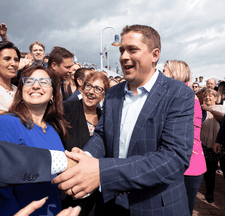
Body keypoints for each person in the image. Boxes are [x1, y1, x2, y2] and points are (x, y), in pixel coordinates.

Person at [53, 24, 195, 216]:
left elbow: (173, 158)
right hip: (110, 206)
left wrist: (102, 173)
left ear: (155, 55)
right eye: (121, 50)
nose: (123, 57)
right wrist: (86, 157)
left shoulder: (178, 94)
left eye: (132, 50)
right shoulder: (112, 94)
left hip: (155, 207)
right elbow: (102, 135)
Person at [0, 65, 70, 215]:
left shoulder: (53, 129)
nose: (35, 85)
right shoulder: (4, 123)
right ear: (21, 92)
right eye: (29, 81)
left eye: (43, 82)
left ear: (53, 94)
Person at [62, 72, 109, 216]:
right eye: (89, 86)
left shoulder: (104, 117)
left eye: (98, 89)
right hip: (68, 185)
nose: (91, 92)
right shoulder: (66, 109)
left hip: (94, 188)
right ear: (82, 88)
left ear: (103, 95)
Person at [163, 60, 206, 215]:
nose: (161, 75)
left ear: (175, 74)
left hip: (190, 166)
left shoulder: (187, 98)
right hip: (181, 164)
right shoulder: (179, 96)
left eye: (164, 71)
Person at [200, 88, 225, 203]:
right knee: (201, 170)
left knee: (211, 171)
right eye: (205, 96)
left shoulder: (221, 108)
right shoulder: (200, 109)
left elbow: (221, 119)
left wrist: (209, 109)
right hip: (201, 145)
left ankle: (210, 192)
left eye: (210, 96)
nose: (208, 98)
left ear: (215, 98)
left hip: (214, 146)